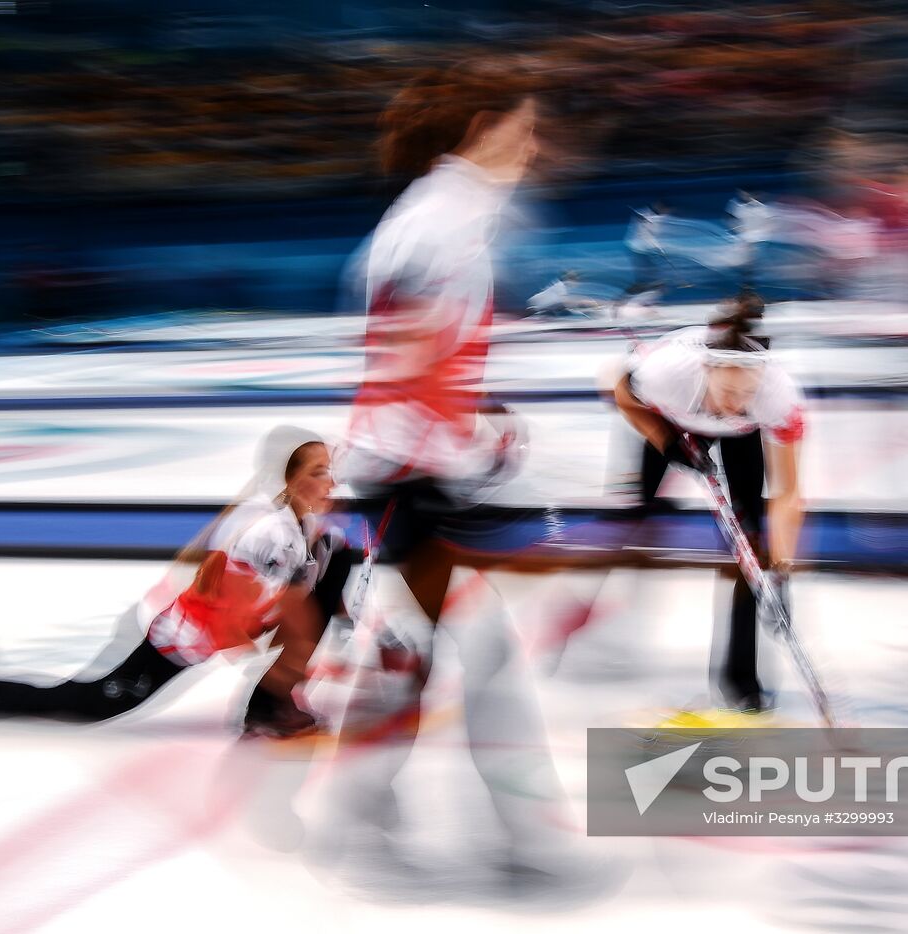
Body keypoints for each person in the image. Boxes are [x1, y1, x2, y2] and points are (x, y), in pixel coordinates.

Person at [323, 63, 582, 880]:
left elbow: (414, 355)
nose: (534, 146)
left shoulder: (440, 218)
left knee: (425, 655)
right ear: (481, 127)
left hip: (408, 470)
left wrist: (478, 425)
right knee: (463, 655)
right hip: (411, 478)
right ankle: (512, 843)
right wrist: (477, 453)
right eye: (523, 128)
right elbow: (409, 367)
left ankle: (371, 820)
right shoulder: (443, 225)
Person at [0, 427, 356, 738]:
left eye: (330, 471)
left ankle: (269, 706)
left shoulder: (292, 527)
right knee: (79, 705)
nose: (330, 481)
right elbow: (231, 603)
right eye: (318, 472)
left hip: (191, 632)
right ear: (292, 481)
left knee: (332, 567)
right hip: (175, 645)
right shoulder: (276, 534)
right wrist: (278, 644)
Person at [611, 291, 805, 712]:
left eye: (746, 393)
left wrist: (781, 573)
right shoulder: (668, 371)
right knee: (644, 501)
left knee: (752, 551)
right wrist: (665, 442)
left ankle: (741, 683)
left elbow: (790, 493)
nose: (736, 403)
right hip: (675, 417)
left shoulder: (777, 397)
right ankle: (636, 521)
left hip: (742, 437)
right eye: (729, 392)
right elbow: (619, 391)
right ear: (707, 370)